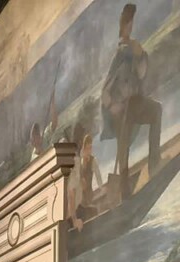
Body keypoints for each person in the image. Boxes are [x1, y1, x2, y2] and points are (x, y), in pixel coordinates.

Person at [101, 3, 161, 199]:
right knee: (123, 149)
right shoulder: (119, 54)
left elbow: (141, 74)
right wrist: (114, 105)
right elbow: (105, 92)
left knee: (156, 110)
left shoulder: (134, 48)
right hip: (121, 111)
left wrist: (141, 55)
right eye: (128, 23)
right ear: (123, 25)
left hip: (134, 103)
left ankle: (154, 164)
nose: (130, 27)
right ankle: (124, 193)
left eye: (132, 23)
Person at [68, 133, 104, 231]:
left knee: (91, 211)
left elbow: (98, 175)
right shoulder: (78, 161)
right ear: (83, 148)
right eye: (87, 148)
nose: (89, 150)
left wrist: (101, 188)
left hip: (88, 195)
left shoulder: (92, 161)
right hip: (78, 199)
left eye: (90, 148)